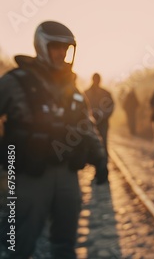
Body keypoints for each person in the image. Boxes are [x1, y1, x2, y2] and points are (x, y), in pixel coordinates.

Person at [0, 21, 107, 258]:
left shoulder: (72, 87)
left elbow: (87, 126)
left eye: (66, 48)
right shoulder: (16, 81)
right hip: (29, 176)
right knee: (19, 244)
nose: (62, 53)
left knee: (65, 244)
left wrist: (101, 158)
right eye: (56, 47)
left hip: (68, 175)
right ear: (42, 46)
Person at [85, 72, 114, 182]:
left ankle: (103, 171)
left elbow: (111, 106)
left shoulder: (106, 93)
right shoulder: (86, 93)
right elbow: (82, 108)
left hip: (103, 124)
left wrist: (103, 115)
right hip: (90, 124)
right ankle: (97, 170)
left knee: (103, 145)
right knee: (92, 147)